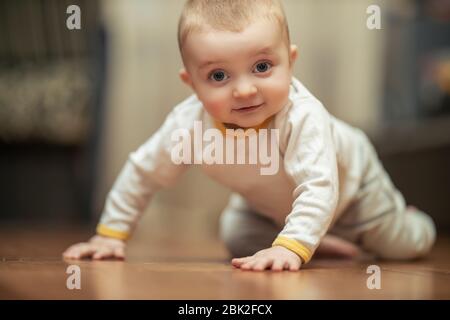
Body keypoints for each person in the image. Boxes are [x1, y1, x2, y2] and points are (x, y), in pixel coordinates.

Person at [63, 0, 436, 271]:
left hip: (353, 188)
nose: (244, 90)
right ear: (191, 84)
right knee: (237, 237)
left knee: (397, 246)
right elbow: (142, 173)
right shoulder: (188, 125)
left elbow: (320, 185)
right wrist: (111, 234)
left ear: (290, 61)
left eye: (261, 67)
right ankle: (312, 239)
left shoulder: (302, 116)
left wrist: (290, 250)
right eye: (219, 76)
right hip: (266, 205)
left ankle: (414, 221)